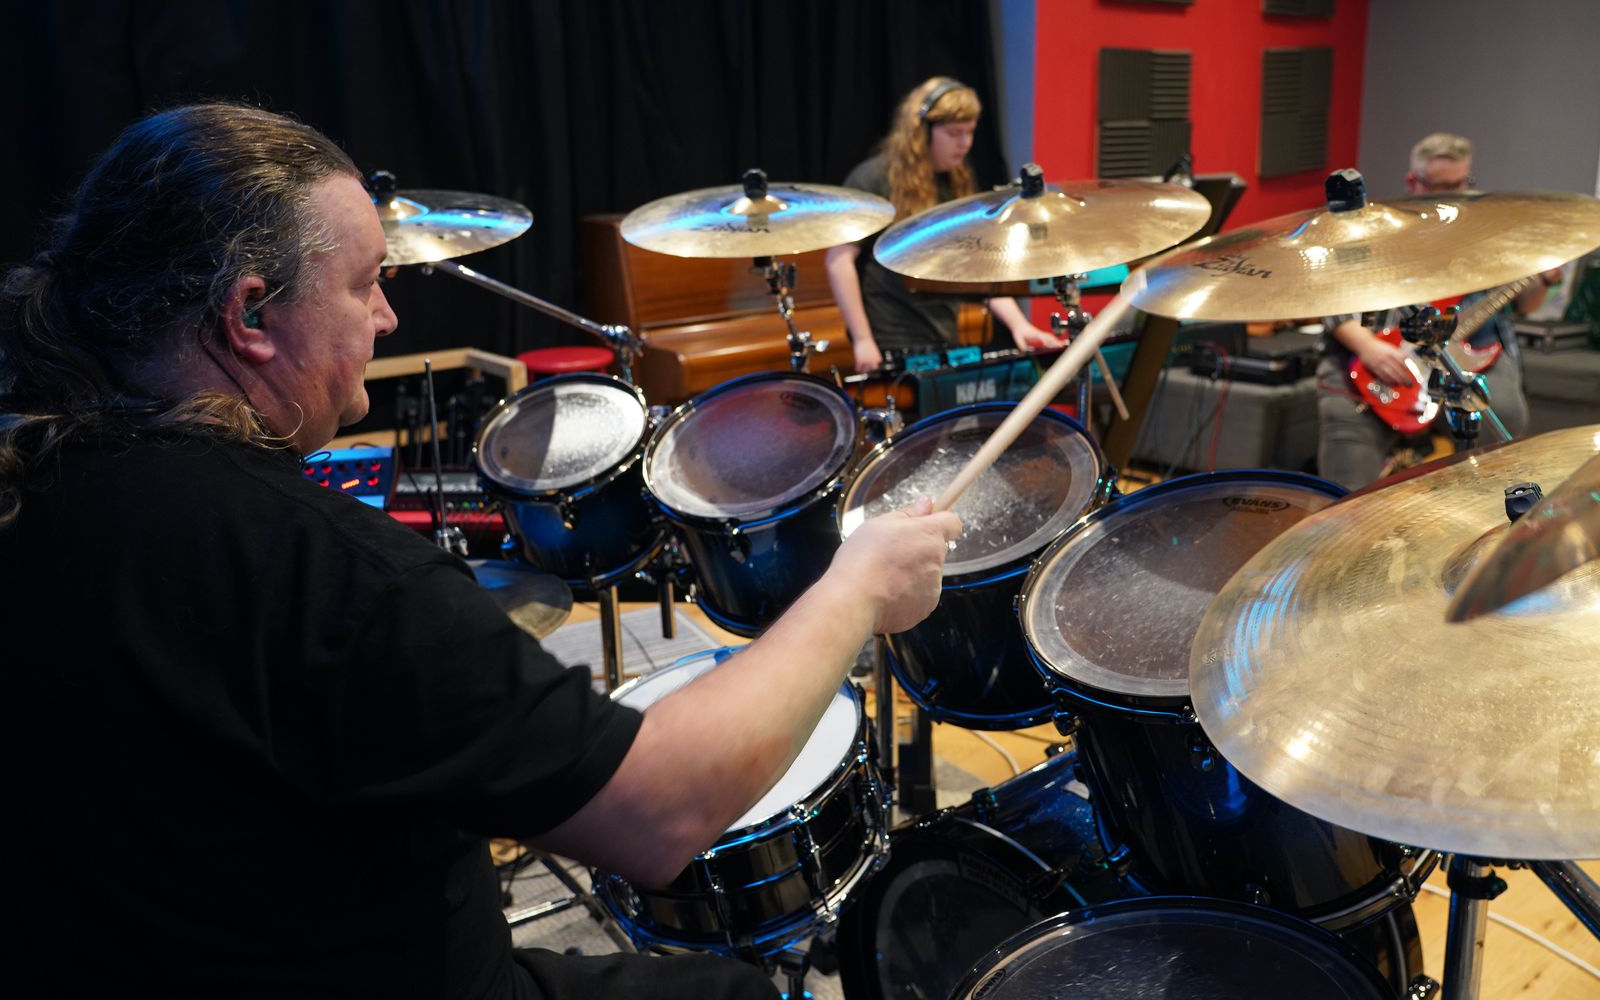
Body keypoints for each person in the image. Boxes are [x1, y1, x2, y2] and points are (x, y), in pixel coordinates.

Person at [0, 103, 962, 997]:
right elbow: (662, 810)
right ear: (250, 316)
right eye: (365, 284)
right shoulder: (329, 572)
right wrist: (858, 584)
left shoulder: (38, 474)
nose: (387, 317)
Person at [1317, 132, 1561, 490]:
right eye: (1439, 186)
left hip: (1473, 352)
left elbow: (1527, 305)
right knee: (1347, 447)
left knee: (1504, 415)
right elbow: (1329, 299)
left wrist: (1544, 281)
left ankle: (1475, 510)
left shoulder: (1490, 234)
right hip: (1379, 354)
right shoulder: (1374, 230)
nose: (1452, 193)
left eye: (1460, 183)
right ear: (1413, 182)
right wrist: (1367, 346)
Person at [825, 76, 1063, 373]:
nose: (965, 144)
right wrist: (863, 339)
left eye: (970, 132)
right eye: (954, 133)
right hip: (890, 337)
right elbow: (839, 261)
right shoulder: (873, 179)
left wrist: (1019, 325)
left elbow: (976, 267)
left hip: (943, 334)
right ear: (922, 133)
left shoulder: (955, 181)